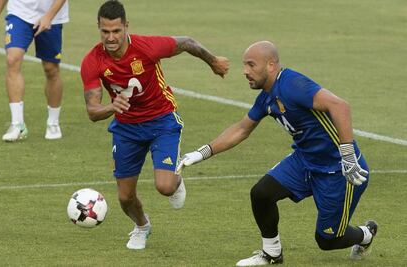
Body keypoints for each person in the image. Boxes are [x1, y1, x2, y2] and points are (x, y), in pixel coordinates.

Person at [178, 41, 377, 265]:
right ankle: (272, 253)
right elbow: (242, 129)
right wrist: (202, 153)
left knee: (327, 240)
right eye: (245, 65)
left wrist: (348, 155)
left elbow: (340, 106)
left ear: (271, 65)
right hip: (304, 161)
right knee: (262, 193)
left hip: (339, 169)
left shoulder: (293, 84)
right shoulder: (266, 97)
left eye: (251, 65)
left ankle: (366, 233)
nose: (245, 72)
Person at [80, 0, 229, 250]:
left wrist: (213, 61)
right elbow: (92, 111)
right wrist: (111, 107)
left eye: (116, 31)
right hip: (126, 128)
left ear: (126, 26)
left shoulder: (147, 47)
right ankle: (142, 226)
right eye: (105, 31)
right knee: (125, 197)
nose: (111, 37)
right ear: (98, 28)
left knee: (165, 186)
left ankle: (177, 180)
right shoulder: (92, 61)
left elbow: (187, 42)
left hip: (161, 120)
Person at [0, 0, 69, 141]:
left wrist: (49, 16)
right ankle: (17, 124)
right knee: (12, 59)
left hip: (53, 15)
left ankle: (53, 123)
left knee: (50, 68)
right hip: (19, 11)